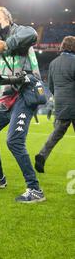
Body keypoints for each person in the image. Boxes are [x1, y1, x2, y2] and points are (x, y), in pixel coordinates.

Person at [0, 6, 46, 203]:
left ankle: (35, 189)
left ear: (8, 20)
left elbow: (32, 34)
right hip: (5, 98)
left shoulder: (19, 32)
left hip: (25, 93)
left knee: (14, 141)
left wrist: (5, 45)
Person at [35, 36, 75, 173]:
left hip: (60, 105)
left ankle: (42, 155)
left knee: (56, 133)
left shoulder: (53, 63)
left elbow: (51, 86)